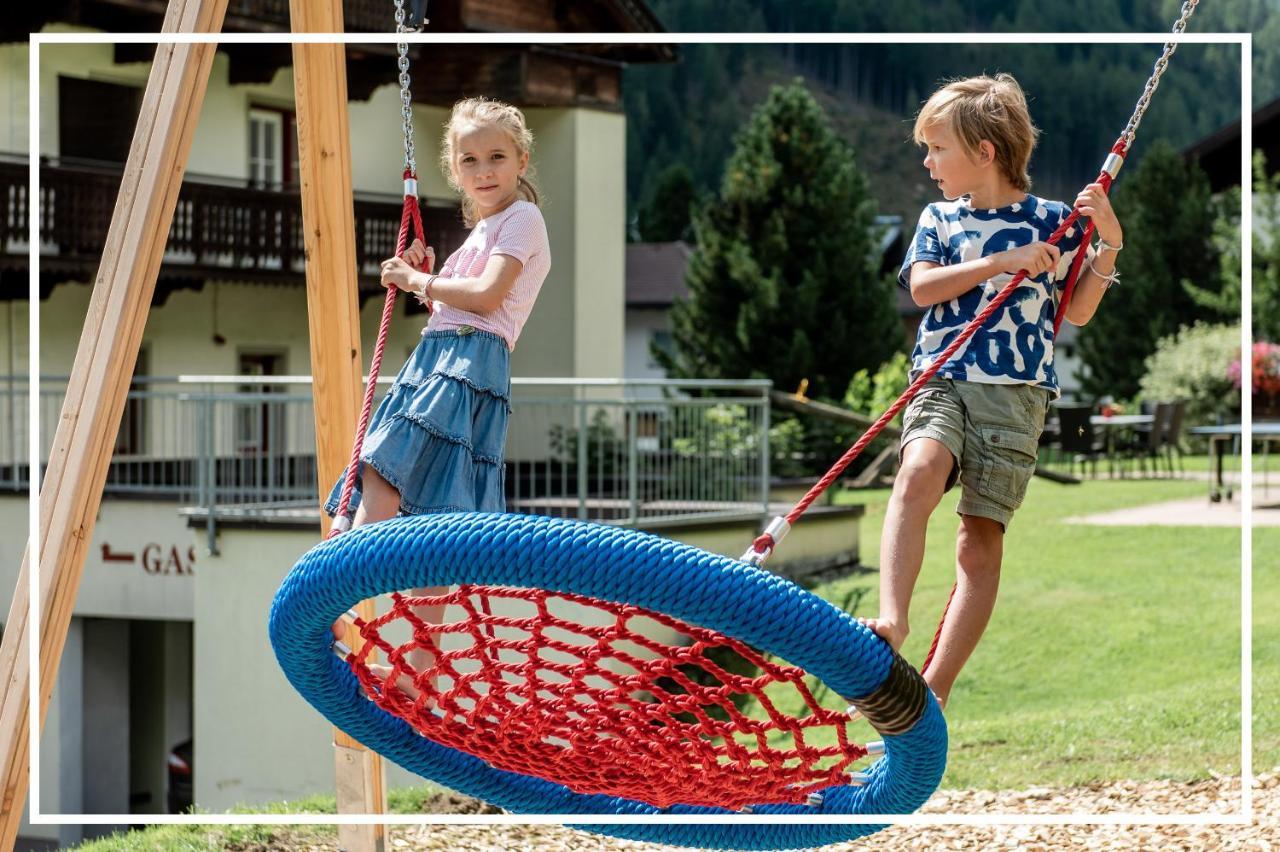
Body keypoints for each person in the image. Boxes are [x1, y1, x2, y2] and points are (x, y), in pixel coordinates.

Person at [861, 74, 1123, 709]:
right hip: (943, 375)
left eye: (937, 148)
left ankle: (934, 689)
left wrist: (1108, 242)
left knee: (979, 541)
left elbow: (1080, 310)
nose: (926, 163)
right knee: (916, 471)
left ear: (985, 151)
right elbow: (922, 290)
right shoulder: (940, 218)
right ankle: (892, 621)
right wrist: (998, 263)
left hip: (1017, 396)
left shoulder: (1057, 224)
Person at [326, 96, 551, 697]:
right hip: (444, 355)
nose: (485, 171)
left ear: (521, 159)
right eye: (470, 159)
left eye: (497, 157)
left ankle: (341, 579)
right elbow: (460, 298)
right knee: (423, 505)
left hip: (469, 361)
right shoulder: (483, 227)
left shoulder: (522, 220)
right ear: (455, 170)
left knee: (388, 468)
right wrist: (431, 280)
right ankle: (412, 671)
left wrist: (418, 279)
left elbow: (483, 297)